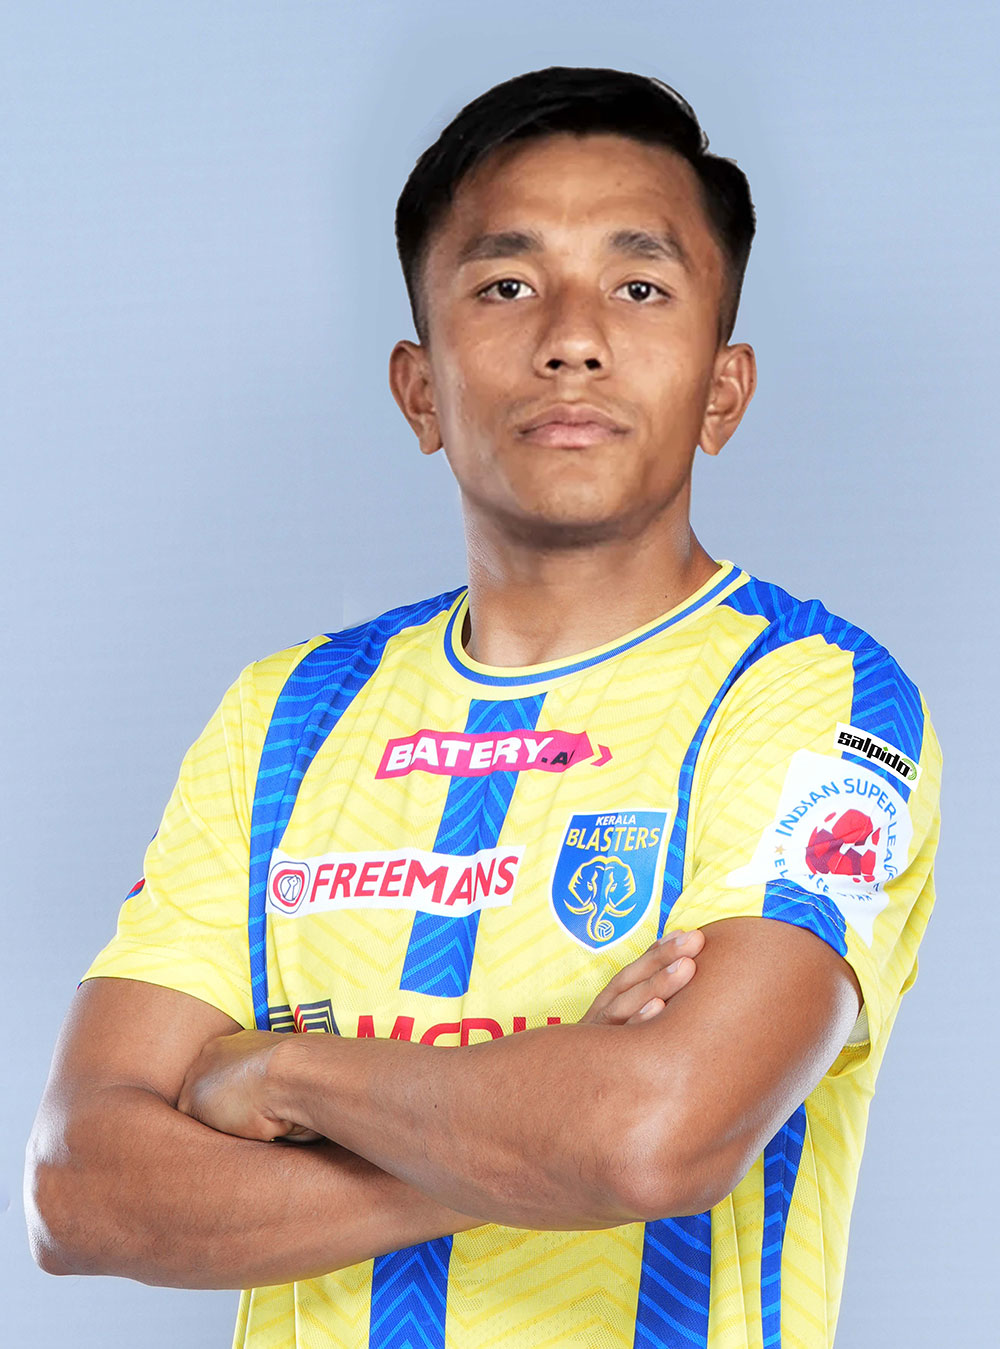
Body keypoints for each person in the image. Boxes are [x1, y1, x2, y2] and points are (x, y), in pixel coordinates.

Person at [25, 66, 941, 1349]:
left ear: (721, 391)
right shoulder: (285, 711)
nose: (571, 337)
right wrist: (539, 1132)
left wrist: (277, 1072)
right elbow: (80, 1191)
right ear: (419, 388)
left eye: (638, 287)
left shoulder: (816, 697)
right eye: (506, 285)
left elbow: (653, 1136)